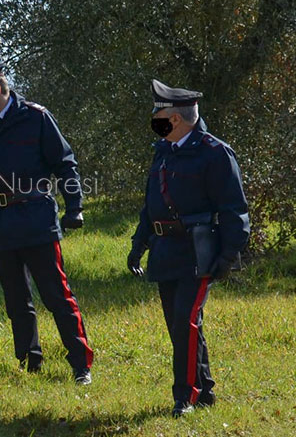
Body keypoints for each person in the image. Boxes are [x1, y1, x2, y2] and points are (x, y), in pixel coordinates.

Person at [0, 63, 94, 385]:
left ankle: (81, 365)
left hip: (36, 219)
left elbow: (65, 164)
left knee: (57, 296)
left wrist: (75, 207)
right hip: (1, 223)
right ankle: (29, 361)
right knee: (16, 300)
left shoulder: (36, 118)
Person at [127, 79, 250, 417]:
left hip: (199, 252)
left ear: (177, 119)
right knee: (180, 325)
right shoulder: (163, 151)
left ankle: (186, 396)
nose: (154, 120)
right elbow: (151, 204)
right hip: (166, 250)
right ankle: (205, 389)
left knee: (185, 322)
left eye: (158, 113)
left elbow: (233, 209)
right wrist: (140, 243)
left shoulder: (214, 152)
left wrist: (228, 255)